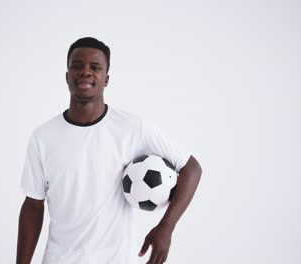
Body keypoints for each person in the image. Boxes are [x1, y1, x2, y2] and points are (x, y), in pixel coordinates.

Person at [16, 37, 202, 264]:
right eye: (77, 66)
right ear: (67, 77)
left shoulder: (133, 128)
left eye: (95, 67)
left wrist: (166, 227)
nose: (85, 72)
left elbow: (191, 169)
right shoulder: (43, 137)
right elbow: (33, 205)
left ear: (106, 79)